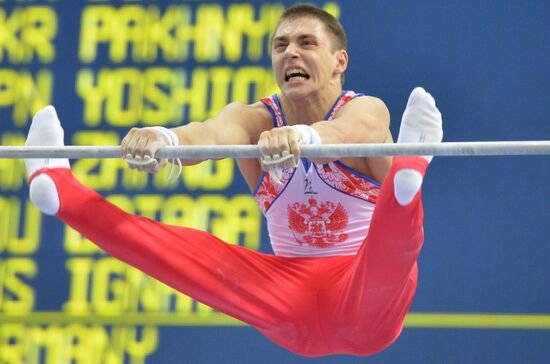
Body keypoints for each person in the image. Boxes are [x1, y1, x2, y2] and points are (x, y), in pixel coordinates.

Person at [24, 4, 443, 357]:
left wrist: (303, 138)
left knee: (394, 243)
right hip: (287, 298)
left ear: (340, 62)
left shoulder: (365, 111)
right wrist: (165, 140)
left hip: (366, 292)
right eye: (280, 46)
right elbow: (209, 135)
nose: (290, 53)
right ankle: (58, 189)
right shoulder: (256, 120)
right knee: (181, 251)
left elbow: (348, 134)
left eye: (306, 43)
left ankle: (409, 171)